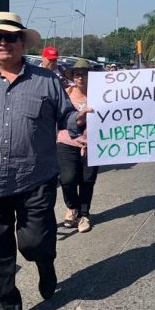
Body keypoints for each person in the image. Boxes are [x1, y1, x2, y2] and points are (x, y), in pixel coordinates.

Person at [0, 11, 90, 310]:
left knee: (33, 243)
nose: (2, 43)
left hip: (35, 179)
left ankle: (45, 262)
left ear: (21, 42)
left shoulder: (47, 81)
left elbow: (66, 118)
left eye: (10, 37)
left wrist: (79, 122)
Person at [57, 59, 99, 233]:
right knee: (67, 179)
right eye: (77, 74)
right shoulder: (65, 94)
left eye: (84, 73)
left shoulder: (100, 95)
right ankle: (72, 207)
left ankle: (84, 214)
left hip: (94, 144)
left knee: (87, 180)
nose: (80, 77)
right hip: (66, 142)